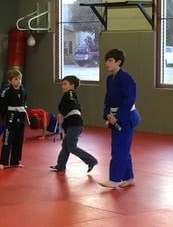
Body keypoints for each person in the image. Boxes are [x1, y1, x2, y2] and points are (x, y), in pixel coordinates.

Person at [99, 49, 140, 188]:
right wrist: (107, 114)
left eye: (110, 60)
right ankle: (129, 177)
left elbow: (129, 99)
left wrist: (118, 117)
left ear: (118, 62)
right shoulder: (110, 79)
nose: (107, 63)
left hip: (126, 118)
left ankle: (115, 179)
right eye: (106, 60)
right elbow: (107, 99)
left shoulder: (127, 78)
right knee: (123, 148)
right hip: (114, 116)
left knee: (119, 149)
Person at [50, 75, 97, 172]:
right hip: (72, 124)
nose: (63, 86)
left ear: (72, 86)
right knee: (65, 146)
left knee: (72, 147)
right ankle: (61, 165)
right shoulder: (68, 95)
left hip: (74, 124)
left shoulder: (70, 93)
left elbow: (71, 104)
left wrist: (62, 114)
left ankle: (91, 160)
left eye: (65, 84)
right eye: (62, 84)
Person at [0, 68, 27, 168]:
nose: (18, 81)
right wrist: (4, 116)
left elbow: (24, 102)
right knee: (7, 140)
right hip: (10, 117)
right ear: (10, 81)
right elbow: (2, 105)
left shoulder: (23, 90)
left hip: (20, 118)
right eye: (16, 79)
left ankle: (15, 161)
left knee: (19, 140)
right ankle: (3, 162)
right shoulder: (6, 91)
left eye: (20, 79)